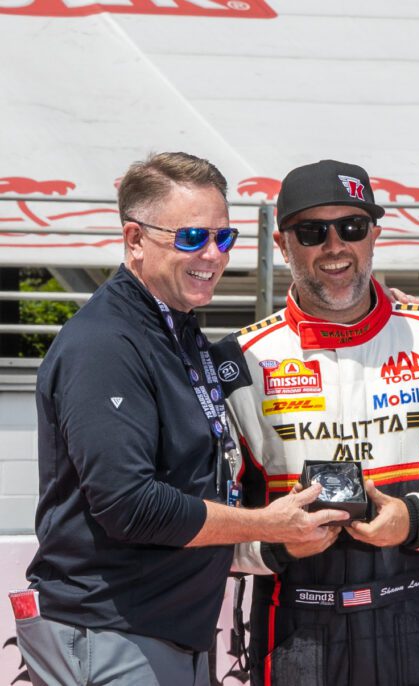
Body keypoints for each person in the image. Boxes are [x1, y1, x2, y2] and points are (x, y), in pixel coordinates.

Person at [13, 152, 348, 686]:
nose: (212, 255)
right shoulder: (105, 343)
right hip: (112, 634)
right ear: (135, 239)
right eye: (191, 238)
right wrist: (269, 524)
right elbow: (131, 506)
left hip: (167, 634)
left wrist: (386, 312)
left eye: (223, 237)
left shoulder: (178, 328)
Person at [213, 159, 419, 686]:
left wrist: (414, 522)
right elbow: (205, 524)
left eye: (352, 227)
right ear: (282, 243)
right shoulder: (239, 364)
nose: (335, 246)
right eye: (312, 232)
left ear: (375, 235)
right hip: (295, 626)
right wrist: (275, 542)